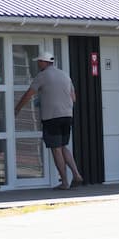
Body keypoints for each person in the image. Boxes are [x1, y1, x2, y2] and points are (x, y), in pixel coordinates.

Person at [13, 51, 84, 189]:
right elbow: (73, 98)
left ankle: (64, 182)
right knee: (64, 146)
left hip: (52, 117)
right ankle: (76, 175)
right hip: (67, 116)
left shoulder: (42, 76)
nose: (38, 63)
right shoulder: (65, 75)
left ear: (45, 62)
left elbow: (29, 94)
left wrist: (17, 108)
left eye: (39, 61)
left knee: (56, 149)